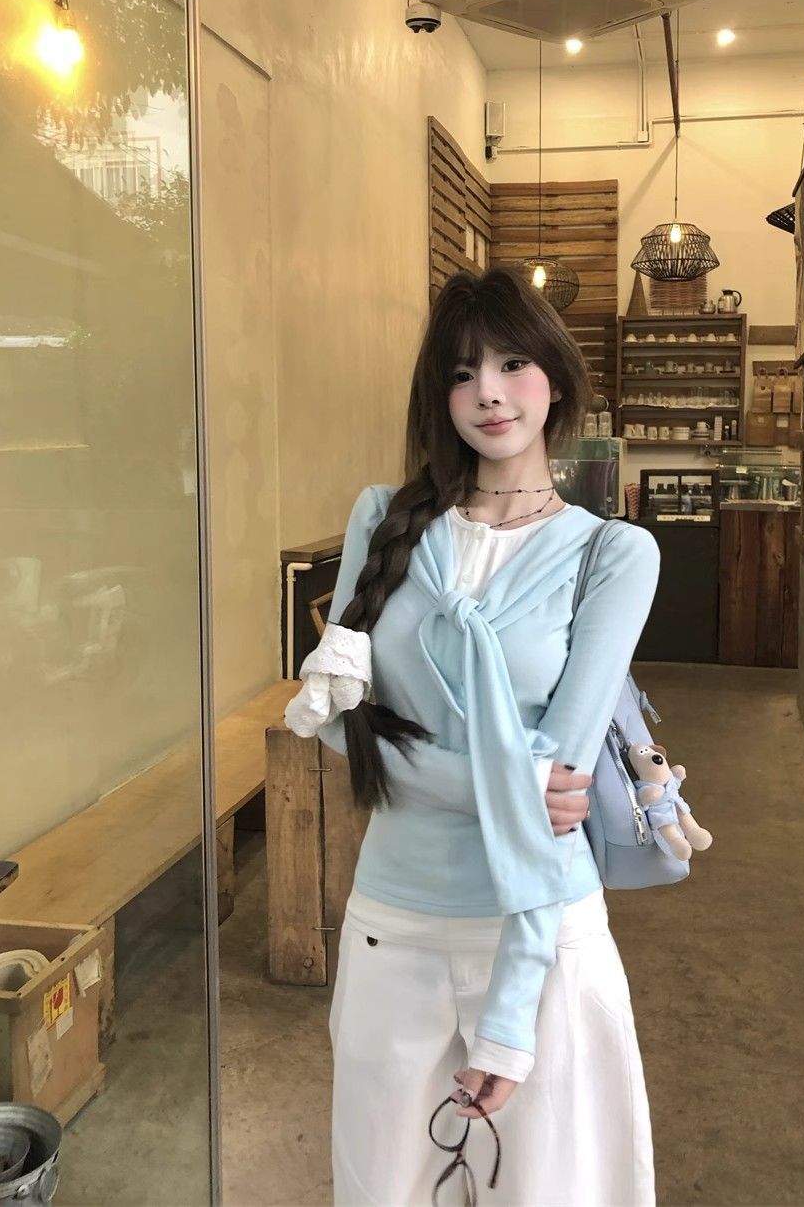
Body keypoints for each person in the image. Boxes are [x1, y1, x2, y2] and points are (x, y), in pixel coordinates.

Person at [285, 267, 661, 1206]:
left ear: (556, 379)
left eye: (511, 364)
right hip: (394, 923)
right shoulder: (384, 519)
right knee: (383, 1186)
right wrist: (503, 787)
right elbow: (341, 727)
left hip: (541, 935)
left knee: (556, 1189)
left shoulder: (613, 553)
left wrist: (508, 1021)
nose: (488, 392)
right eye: (461, 374)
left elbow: (558, 790)